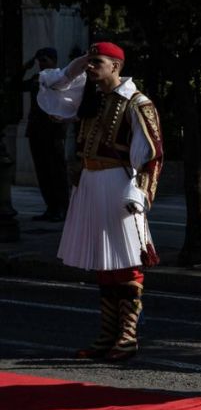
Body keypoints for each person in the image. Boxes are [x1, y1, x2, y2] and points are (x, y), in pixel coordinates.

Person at [37, 42, 163, 362]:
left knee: (125, 264)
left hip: (117, 184)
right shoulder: (90, 97)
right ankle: (108, 334)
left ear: (116, 66)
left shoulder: (137, 102)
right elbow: (50, 88)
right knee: (103, 265)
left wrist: (141, 193)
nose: (91, 67)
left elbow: (152, 156)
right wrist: (75, 65)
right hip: (90, 183)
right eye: (89, 62)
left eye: (97, 62)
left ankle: (128, 335)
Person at [19, 47, 70, 221]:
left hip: (54, 131)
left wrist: (64, 124)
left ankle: (63, 208)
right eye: (40, 60)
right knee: (42, 171)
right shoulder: (36, 78)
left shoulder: (61, 78)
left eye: (45, 60)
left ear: (54, 61)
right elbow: (15, 86)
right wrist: (24, 68)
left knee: (57, 171)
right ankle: (51, 207)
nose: (41, 64)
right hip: (36, 130)